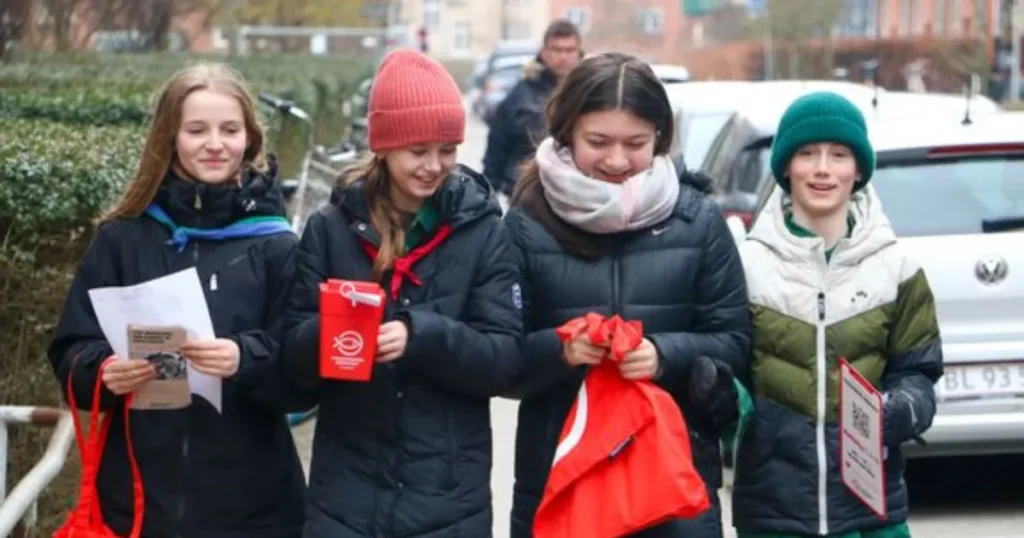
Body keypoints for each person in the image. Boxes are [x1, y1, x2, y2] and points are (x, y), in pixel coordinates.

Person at [46, 63, 306, 537]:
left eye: (230, 129)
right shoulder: (122, 239)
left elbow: (303, 374)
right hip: (139, 507)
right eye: (196, 129)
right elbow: (70, 350)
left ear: (249, 137)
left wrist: (244, 358)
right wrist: (103, 372)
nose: (214, 143)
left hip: (254, 512)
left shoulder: (277, 246)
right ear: (170, 136)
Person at [503, 52, 752, 538]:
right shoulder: (526, 223)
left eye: (635, 144)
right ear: (567, 131)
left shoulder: (696, 219)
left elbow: (736, 342)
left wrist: (665, 354)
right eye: (598, 142)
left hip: (672, 487)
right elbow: (497, 358)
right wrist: (561, 350)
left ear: (660, 136)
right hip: (562, 483)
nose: (617, 161)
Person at [278, 48, 523, 537]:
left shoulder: (483, 230)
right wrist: (329, 335)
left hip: (449, 499)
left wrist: (423, 336)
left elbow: (505, 359)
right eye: (419, 151)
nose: (435, 166)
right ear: (384, 146)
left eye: (448, 149)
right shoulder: (331, 229)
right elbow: (288, 362)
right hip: (345, 495)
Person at [731, 92, 943, 538]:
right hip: (773, 515)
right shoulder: (745, 266)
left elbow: (918, 374)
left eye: (839, 154)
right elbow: (730, 374)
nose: (823, 168)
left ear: (859, 169)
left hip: (871, 515)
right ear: (786, 167)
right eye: (807, 153)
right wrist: (727, 400)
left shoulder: (898, 267)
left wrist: (900, 409)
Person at [483, 19, 583, 198]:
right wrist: (487, 194)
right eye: (557, 50)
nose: (563, 57)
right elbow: (498, 144)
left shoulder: (589, 94)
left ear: (579, 53)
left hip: (576, 191)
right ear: (544, 53)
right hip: (526, 191)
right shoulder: (521, 95)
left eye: (569, 50)